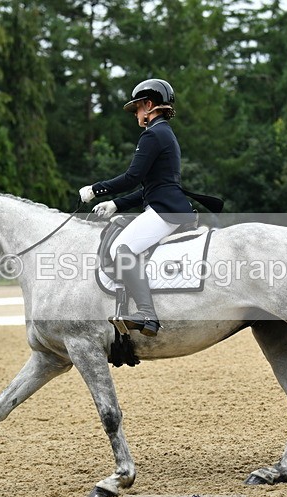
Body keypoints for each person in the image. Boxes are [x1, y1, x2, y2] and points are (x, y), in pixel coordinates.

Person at [78, 78, 195, 337]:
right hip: (166, 204)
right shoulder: (165, 133)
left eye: (138, 109)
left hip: (165, 210)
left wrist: (96, 190)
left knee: (123, 249)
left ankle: (147, 314)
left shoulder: (153, 134)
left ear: (149, 105)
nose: (136, 115)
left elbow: (132, 177)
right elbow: (150, 186)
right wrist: (115, 203)